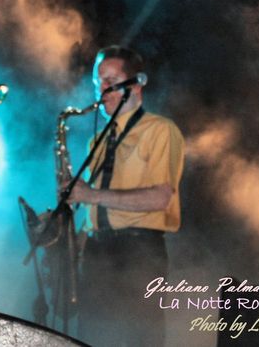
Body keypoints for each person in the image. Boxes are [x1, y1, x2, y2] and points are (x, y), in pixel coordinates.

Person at [64, 46, 185, 347]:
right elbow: (96, 207)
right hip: (98, 252)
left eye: (110, 80)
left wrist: (92, 195)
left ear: (136, 84)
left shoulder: (160, 130)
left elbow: (160, 198)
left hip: (138, 250)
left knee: (137, 339)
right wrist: (76, 237)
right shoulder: (97, 140)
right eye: (98, 82)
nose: (101, 89)